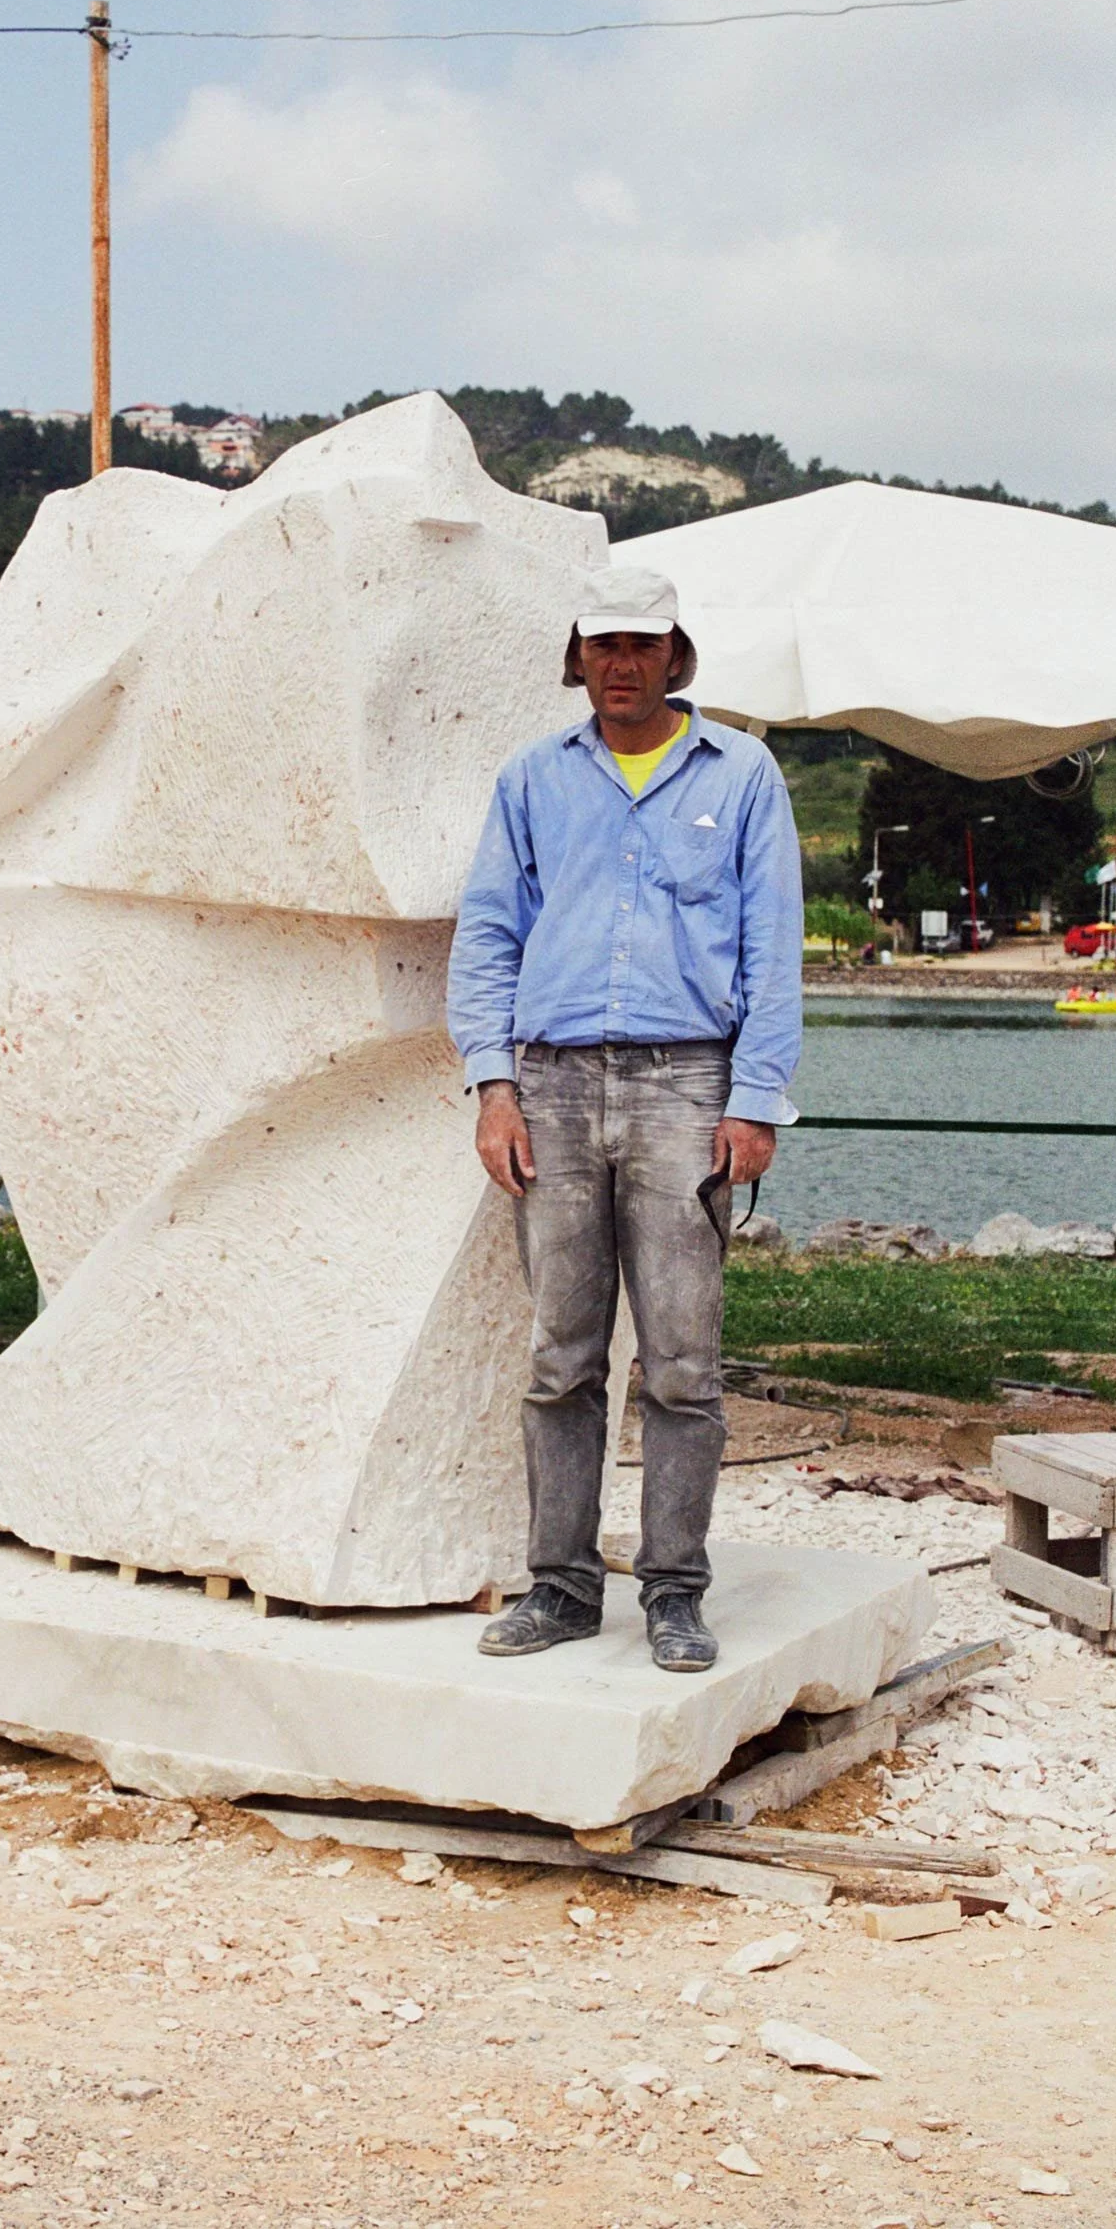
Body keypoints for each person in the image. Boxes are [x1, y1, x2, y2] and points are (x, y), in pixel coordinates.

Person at [447, 557, 803, 1673]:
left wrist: (755, 1099)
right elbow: (488, 932)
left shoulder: (742, 774)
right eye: (602, 644)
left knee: (684, 1362)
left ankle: (675, 1592)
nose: (621, 664)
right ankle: (558, 1585)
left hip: (686, 1084)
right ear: (577, 656)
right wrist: (492, 1086)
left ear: (674, 655)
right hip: (549, 1086)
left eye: (642, 645)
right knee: (560, 1355)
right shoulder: (530, 779)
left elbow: (773, 945)